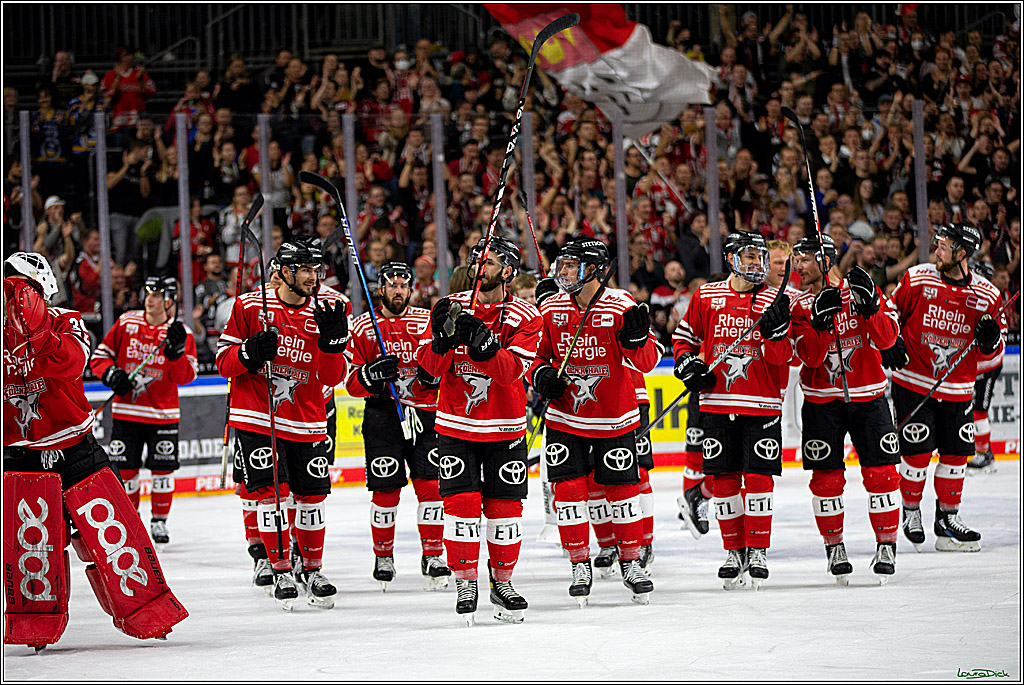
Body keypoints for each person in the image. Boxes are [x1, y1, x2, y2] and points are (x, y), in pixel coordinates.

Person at [3, 253, 187, 648]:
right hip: (19, 457)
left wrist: (34, 331)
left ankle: (147, 610)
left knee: (114, 536)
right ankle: (34, 624)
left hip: (75, 449)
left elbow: (70, 362)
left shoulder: (67, 320)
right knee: (33, 548)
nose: (13, 298)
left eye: (20, 289)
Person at [216, 239, 349, 609]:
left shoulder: (329, 308)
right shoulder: (250, 306)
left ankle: (313, 569)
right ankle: (281, 569)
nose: (312, 277)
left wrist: (334, 344)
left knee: (312, 499)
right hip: (258, 416)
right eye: (304, 270)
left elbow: (333, 377)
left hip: (307, 420)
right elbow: (223, 362)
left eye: (315, 270)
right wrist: (248, 352)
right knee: (270, 496)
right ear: (284, 271)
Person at [416, 236, 542, 625]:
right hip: (455, 426)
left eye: (487, 262)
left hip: (505, 428)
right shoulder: (450, 308)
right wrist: (440, 341)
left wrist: (484, 344)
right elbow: (426, 374)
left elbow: (510, 374)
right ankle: (466, 580)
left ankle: (502, 581)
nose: (479, 268)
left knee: (505, 511)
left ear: (507, 270)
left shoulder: (526, 317)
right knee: (462, 508)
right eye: (476, 261)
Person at [531, 238, 661, 606]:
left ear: (595, 270)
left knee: (624, 494)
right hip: (564, 417)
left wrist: (637, 341)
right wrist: (542, 376)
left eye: (573, 266)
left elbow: (649, 362)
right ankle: (578, 563)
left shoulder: (621, 305)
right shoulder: (551, 306)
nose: (564, 272)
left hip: (614, 418)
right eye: (563, 265)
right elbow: (535, 357)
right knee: (568, 493)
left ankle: (632, 562)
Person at [672, 231, 792, 589]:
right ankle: (734, 550)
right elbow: (684, 339)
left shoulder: (775, 300)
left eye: (760, 257)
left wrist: (777, 334)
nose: (757, 263)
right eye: (749, 257)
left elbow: (785, 358)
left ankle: (758, 549)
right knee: (723, 482)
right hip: (717, 403)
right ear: (731, 258)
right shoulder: (706, 296)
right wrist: (687, 365)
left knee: (757, 480)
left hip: (762, 403)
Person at [789, 234, 903, 584]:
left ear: (825, 260)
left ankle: (886, 545)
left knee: (882, 474)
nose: (797, 266)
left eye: (804, 259)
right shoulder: (796, 304)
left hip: (869, 399)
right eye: (795, 259)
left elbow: (887, 341)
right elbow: (809, 357)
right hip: (822, 403)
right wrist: (821, 327)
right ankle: (834, 547)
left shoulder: (861, 290)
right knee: (826, 480)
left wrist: (870, 309)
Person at [888, 223, 1005, 552]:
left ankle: (947, 519)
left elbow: (992, 357)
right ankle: (911, 511)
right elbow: (891, 314)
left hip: (958, 388)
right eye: (937, 243)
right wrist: (891, 341)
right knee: (917, 454)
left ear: (962, 253)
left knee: (956, 456)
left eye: (944, 246)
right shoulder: (918, 279)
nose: (936, 251)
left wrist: (991, 340)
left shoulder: (987, 296)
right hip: (914, 383)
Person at [345, 261, 452, 591]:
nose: (398, 290)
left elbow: (444, 363)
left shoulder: (425, 321)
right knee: (385, 490)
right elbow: (349, 382)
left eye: (403, 285)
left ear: (411, 288)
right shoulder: (363, 327)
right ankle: (383, 556)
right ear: (380, 289)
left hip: (426, 412)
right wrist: (370, 376)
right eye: (391, 284)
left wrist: (428, 373)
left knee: (431, 488)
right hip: (383, 413)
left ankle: (433, 555)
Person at [89, 277, 198, 546]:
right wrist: (111, 374)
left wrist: (176, 354)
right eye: (148, 292)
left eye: (159, 294)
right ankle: (131, 518)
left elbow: (187, 376)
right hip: (127, 412)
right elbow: (99, 358)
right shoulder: (127, 322)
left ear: (170, 299)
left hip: (163, 415)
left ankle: (159, 521)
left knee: (162, 471)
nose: (151, 298)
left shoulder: (181, 332)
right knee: (125, 471)